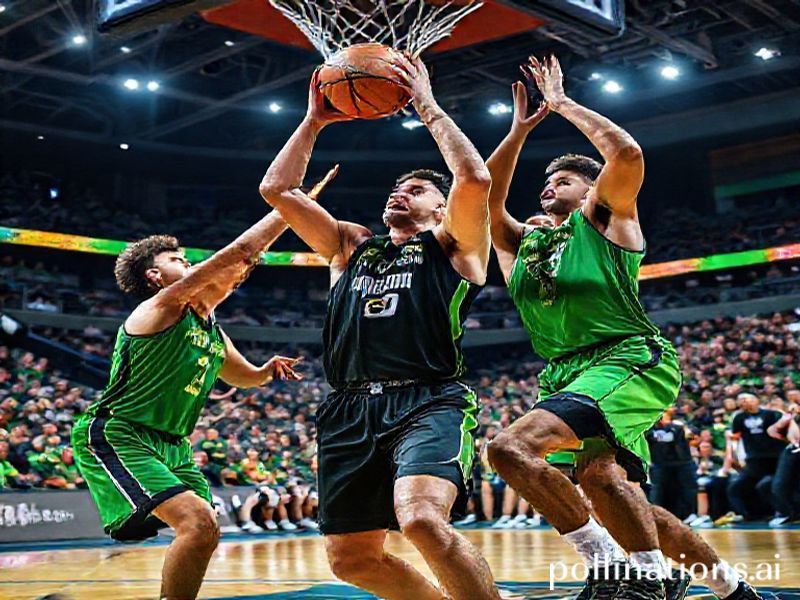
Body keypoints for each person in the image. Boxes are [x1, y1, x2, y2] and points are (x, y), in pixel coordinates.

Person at [484, 55, 760, 600]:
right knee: (605, 485)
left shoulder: (605, 221)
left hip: (626, 358)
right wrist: (518, 132)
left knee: (509, 448)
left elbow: (626, 153)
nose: (547, 186)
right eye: (546, 180)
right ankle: (734, 591)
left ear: (590, 191)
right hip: (565, 374)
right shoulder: (522, 247)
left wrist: (560, 105)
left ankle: (627, 574)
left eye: (561, 180)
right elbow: (486, 192)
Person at [259, 55, 499, 600]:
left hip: (427, 399)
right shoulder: (350, 246)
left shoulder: (453, 247)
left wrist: (427, 105)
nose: (401, 192)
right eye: (398, 186)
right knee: (353, 560)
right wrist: (314, 121)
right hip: (347, 406)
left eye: (417, 190)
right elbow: (278, 191)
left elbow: (475, 177)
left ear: (442, 210)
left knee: (420, 520)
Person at [70, 203, 311, 600]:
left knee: (207, 527)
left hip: (174, 446)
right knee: (197, 522)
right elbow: (239, 254)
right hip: (121, 433)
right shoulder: (160, 307)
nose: (186, 261)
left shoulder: (212, 330)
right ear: (154, 275)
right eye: (175, 259)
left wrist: (267, 370)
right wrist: (288, 204)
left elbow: (242, 377)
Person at [727, 393, 786, 520]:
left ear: (756, 400)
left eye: (746, 399)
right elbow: (735, 438)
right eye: (740, 400)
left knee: (771, 485)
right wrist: (735, 456)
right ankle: (748, 516)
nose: (744, 402)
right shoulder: (739, 418)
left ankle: (782, 512)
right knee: (736, 488)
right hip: (754, 458)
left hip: (774, 456)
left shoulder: (770, 414)